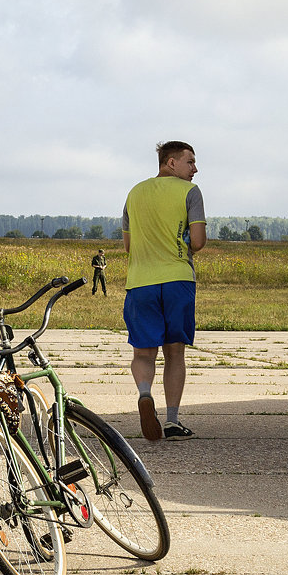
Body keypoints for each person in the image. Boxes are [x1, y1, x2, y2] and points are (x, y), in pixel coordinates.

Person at [122, 141, 206, 440]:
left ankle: (145, 394)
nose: (195, 169)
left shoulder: (134, 193)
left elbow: (129, 245)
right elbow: (197, 241)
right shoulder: (189, 192)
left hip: (140, 283)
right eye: (190, 162)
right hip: (177, 280)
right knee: (174, 352)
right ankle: (172, 420)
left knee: (143, 353)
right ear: (171, 163)